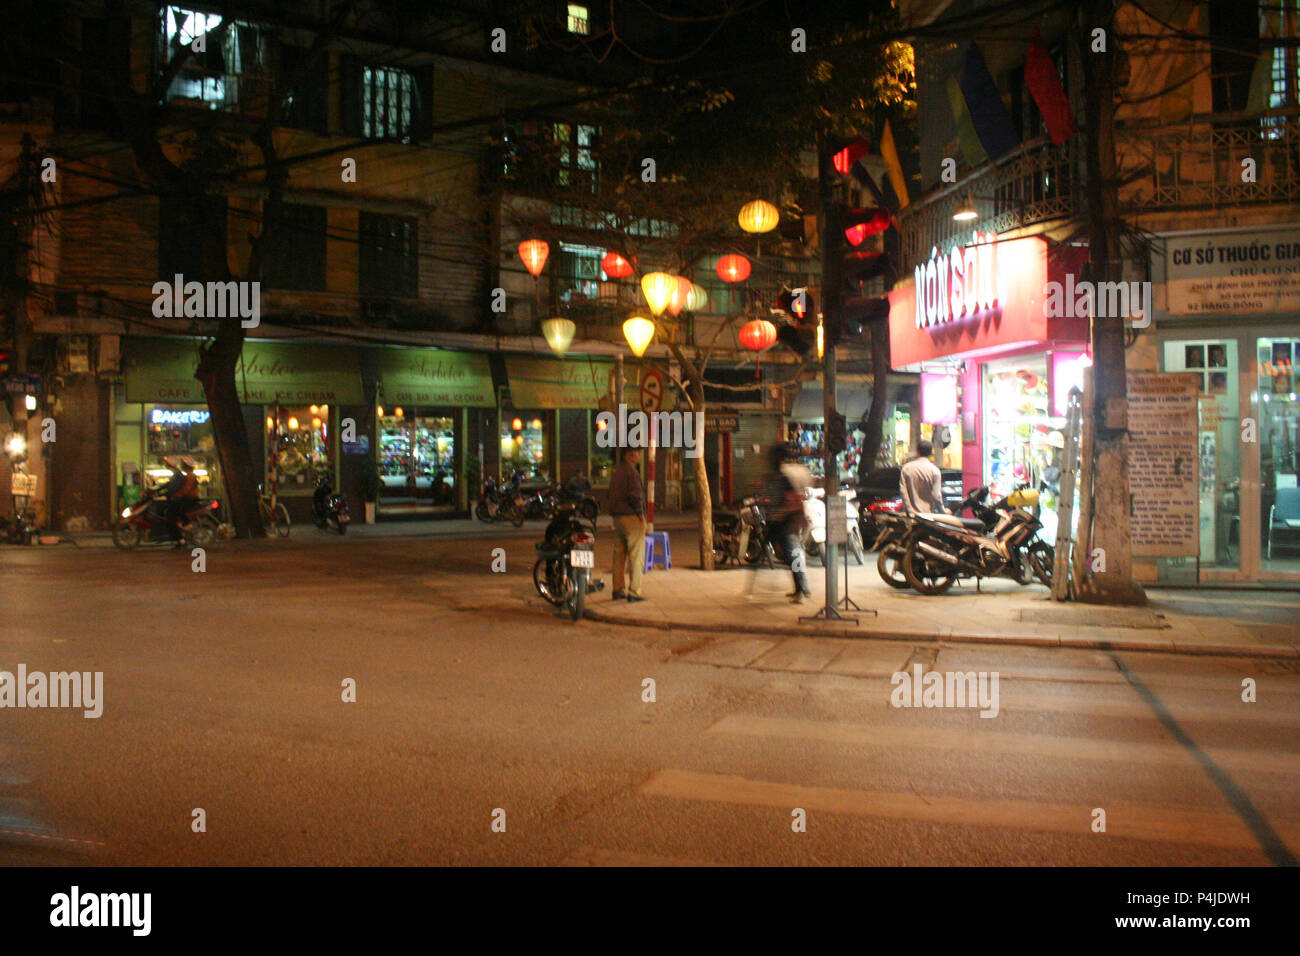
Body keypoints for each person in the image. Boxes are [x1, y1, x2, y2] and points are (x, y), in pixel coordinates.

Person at [763, 445, 811, 603]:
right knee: (793, 555)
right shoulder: (796, 471)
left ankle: (801, 591)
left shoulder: (784, 474)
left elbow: (790, 497)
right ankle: (801, 588)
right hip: (791, 519)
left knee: (793, 556)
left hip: (787, 520)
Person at [607, 447, 647, 602]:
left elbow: (609, 494)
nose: (639, 455)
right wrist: (641, 515)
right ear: (630, 455)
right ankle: (634, 592)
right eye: (637, 452)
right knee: (636, 556)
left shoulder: (617, 472)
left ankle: (617, 589)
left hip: (618, 518)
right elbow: (635, 496)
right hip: (631, 518)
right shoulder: (632, 473)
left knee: (619, 555)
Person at [899, 439, 947, 515]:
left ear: (917, 452)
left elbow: (903, 492)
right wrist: (943, 512)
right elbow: (936, 495)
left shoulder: (906, 468)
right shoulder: (934, 470)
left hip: (911, 515)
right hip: (927, 516)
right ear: (931, 453)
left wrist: (910, 511)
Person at [165, 458, 200, 547]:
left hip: (190, 499)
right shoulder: (186, 476)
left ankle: (184, 530)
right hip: (187, 498)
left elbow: (185, 490)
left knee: (170, 515)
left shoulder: (190, 476)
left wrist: (176, 495)